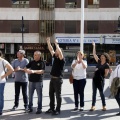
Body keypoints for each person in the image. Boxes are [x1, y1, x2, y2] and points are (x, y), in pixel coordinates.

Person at [45, 37, 65, 115]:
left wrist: (57, 44)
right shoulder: (55, 57)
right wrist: (48, 42)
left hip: (58, 79)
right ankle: (51, 108)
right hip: (52, 79)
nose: (55, 51)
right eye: (56, 51)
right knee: (51, 94)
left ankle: (58, 110)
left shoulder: (61, 59)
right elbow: (51, 49)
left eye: (57, 51)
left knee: (58, 95)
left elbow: (59, 52)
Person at [90, 42, 110, 111]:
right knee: (94, 93)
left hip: (101, 80)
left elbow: (106, 74)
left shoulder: (106, 65)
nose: (101, 57)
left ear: (105, 58)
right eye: (101, 57)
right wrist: (94, 46)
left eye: (103, 57)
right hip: (95, 79)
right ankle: (93, 106)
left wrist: (99, 71)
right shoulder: (98, 62)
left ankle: (104, 105)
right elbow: (94, 54)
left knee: (101, 93)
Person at [0, 50, 14, 115]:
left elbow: (11, 69)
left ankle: (0, 110)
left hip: (1, 82)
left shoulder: (3, 61)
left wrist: (4, 76)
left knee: (0, 96)